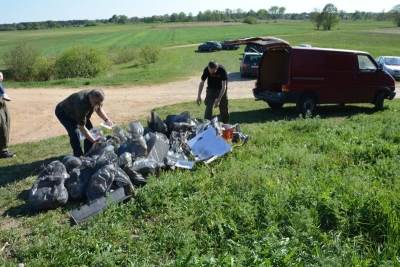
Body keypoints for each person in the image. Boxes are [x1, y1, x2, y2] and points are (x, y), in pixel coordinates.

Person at [55, 89, 113, 157]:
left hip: (77, 112)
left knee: (91, 131)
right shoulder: (81, 104)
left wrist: (106, 120)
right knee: (74, 133)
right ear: (90, 97)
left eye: (100, 103)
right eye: (96, 102)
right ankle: (78, 156)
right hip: (64, 113)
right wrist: (94, 141)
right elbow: (82, 127)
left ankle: (88, 153)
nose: (98, 104)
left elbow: (98, 108)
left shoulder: (96, 98)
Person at [0, 72, 15, 158]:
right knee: (2, 127)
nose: (1, 77)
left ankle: (3, 149)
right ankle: (3, 151)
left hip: (2, 105)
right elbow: (5, 97)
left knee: (7, 122)